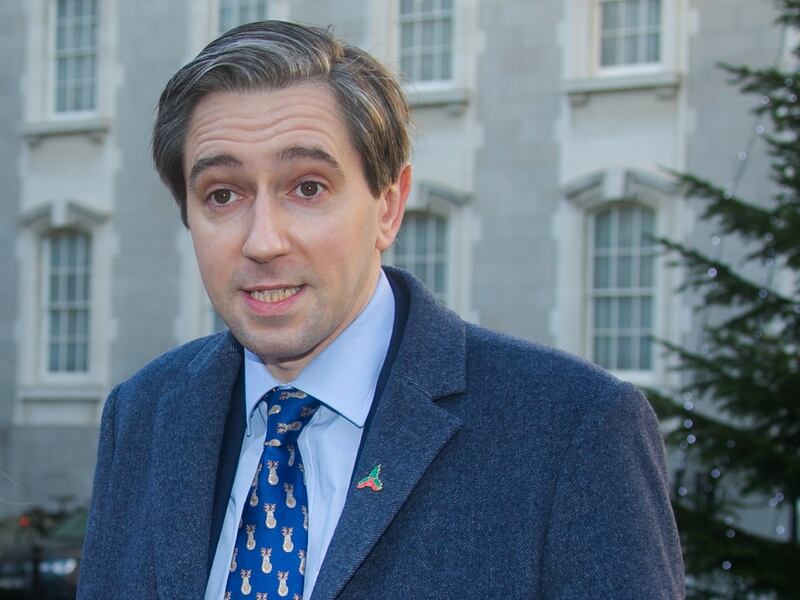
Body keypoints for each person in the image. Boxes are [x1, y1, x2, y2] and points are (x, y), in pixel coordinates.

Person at [77, 20, 683, 600]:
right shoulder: (142, 416)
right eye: (223, 195)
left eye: (307, 187)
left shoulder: (572, 429)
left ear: (389, 207)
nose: (263, 240)